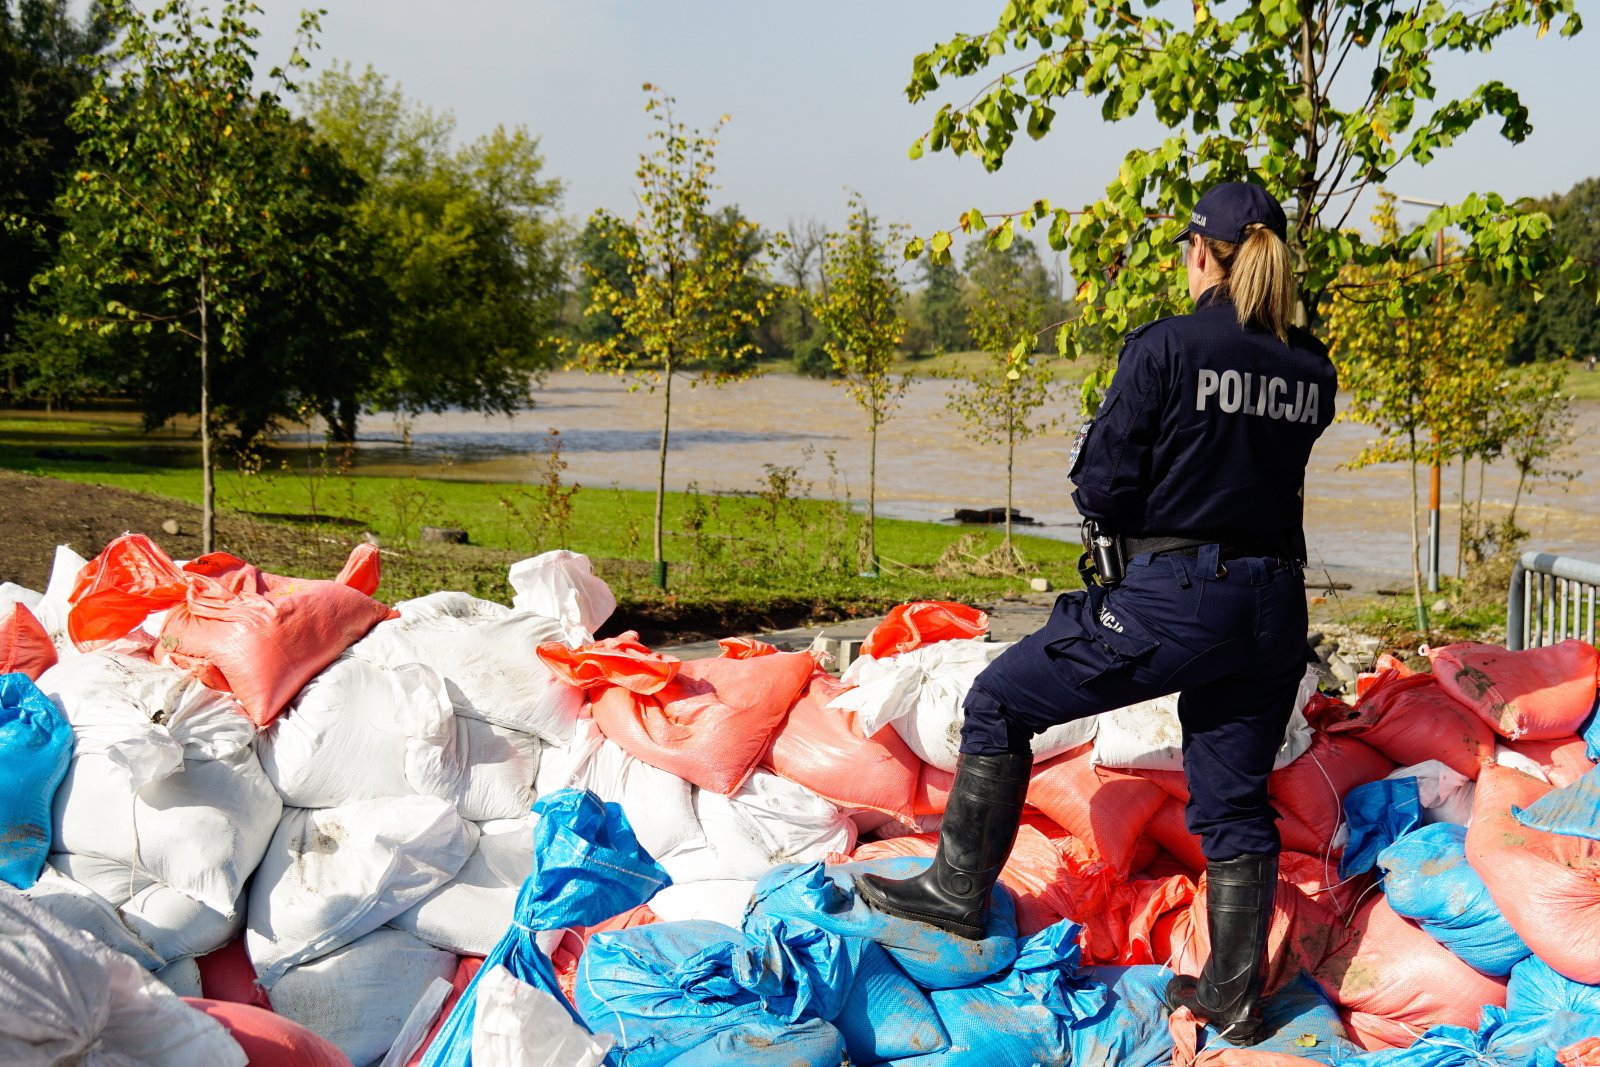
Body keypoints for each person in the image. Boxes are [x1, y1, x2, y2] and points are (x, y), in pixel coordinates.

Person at [856, 181, 1339, 1047]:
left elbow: (1103, 481)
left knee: (1002, 700)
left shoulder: (1164, 346)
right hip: (1274, 605)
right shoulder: (1311, 366)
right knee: (1232, 796)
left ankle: (959, 893)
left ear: (1200, 252)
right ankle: (1233, 992)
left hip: (1179, 596)